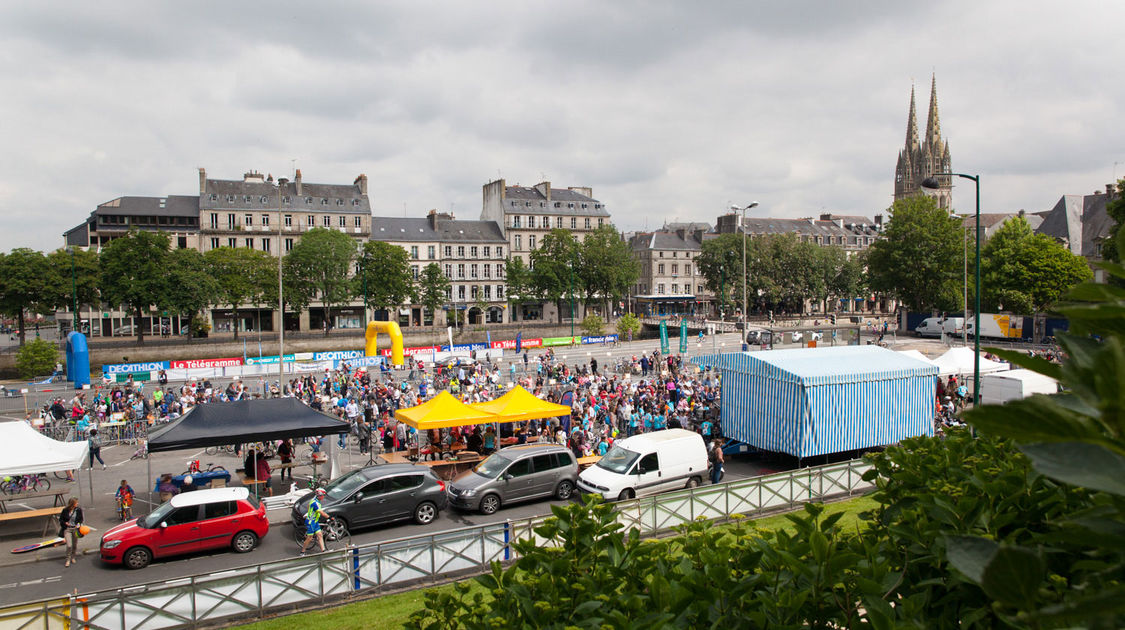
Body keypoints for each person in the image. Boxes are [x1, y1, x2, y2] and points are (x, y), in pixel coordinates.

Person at [300, 488, 328, 556]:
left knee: (320, 535)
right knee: (310, 537)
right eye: (323, 495)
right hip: (310, 522)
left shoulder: (314, 500)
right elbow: (322, 513)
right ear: (319, 495)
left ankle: (323, 550)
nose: (324, 497)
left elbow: (308, 506)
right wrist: (329, 517)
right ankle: (302, 552)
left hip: (314, 521)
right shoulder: (315, 503)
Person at [59, 497, 83, 567]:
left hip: (75, 529)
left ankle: (73, 557)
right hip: (67, 529)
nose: (77, 503)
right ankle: (68, 559)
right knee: (69, 545)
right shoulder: (65, 510)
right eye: (76, 502)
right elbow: (61, 519)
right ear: (73, 503)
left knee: (74, 544)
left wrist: (78, 524)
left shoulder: (78, 510)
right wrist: (65, 523)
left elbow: (81, 519)